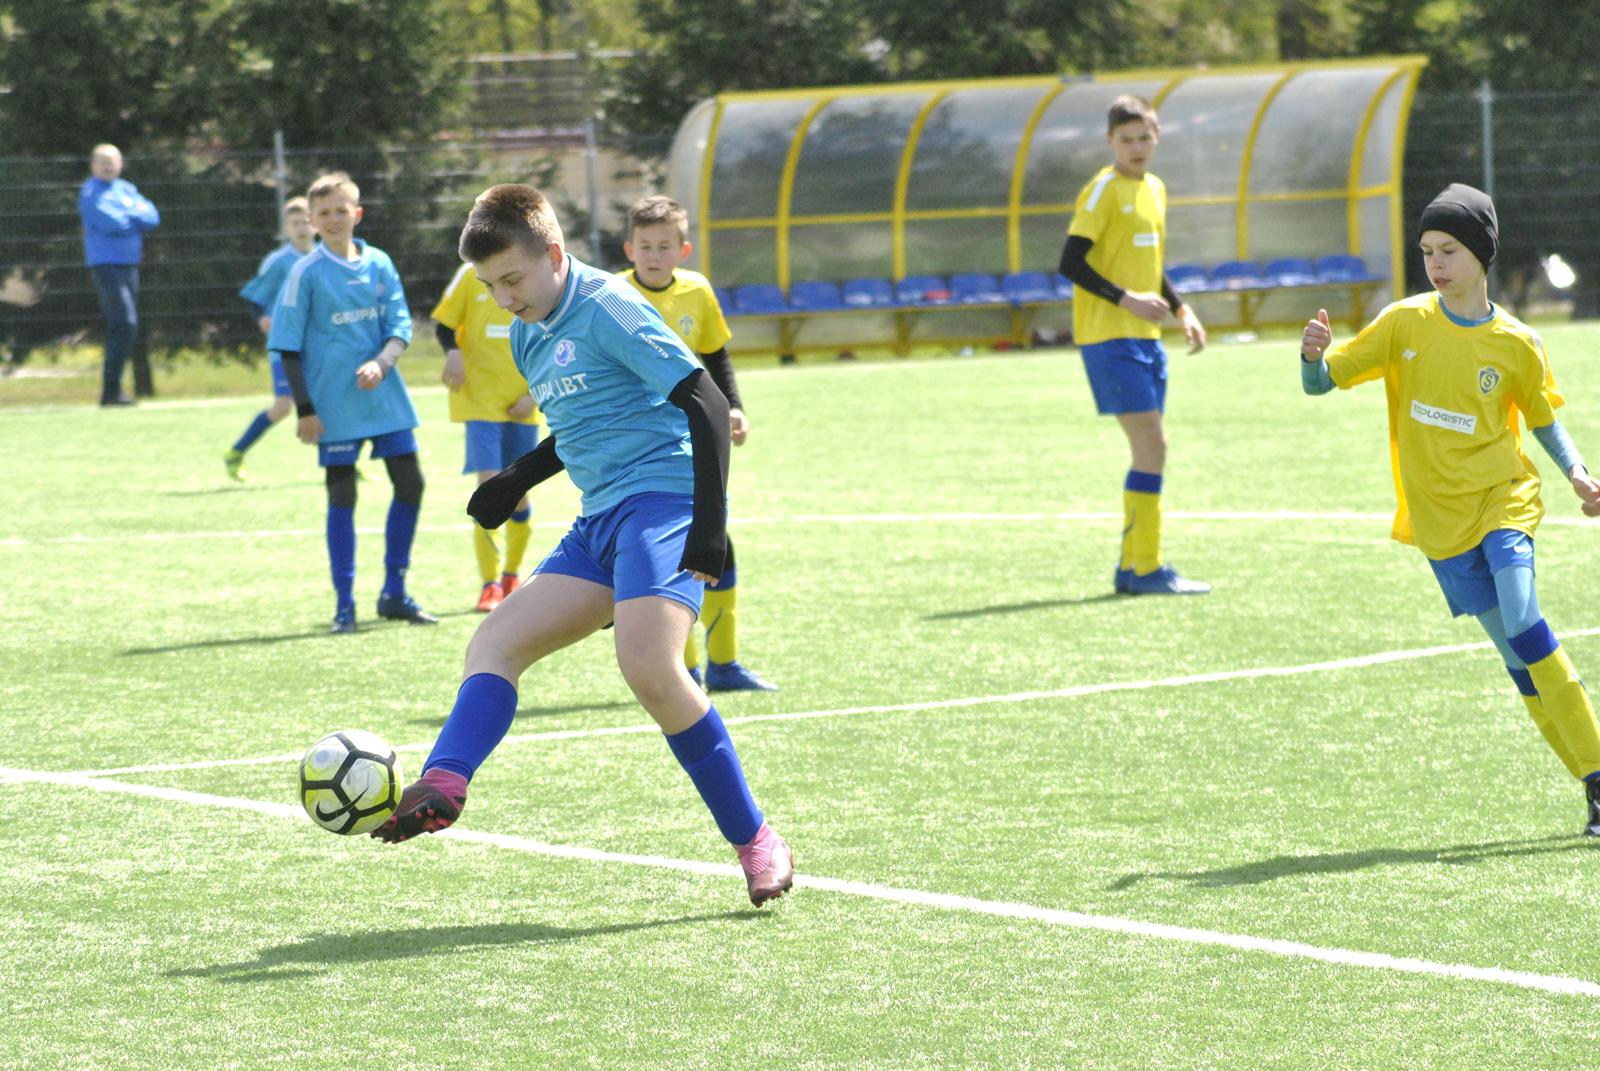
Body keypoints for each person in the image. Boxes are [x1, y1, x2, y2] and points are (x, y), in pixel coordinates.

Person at [371, 184, 794, 907]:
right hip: (601, 520)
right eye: (489, 285)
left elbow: (707, 403)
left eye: (513, 278)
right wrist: (517, 476)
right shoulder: (530, 325)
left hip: (663, 505)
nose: (503, 298)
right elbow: (585, 420)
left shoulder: (610, 308)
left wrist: (708, 527)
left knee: (650, 667)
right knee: (495, 641)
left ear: (555, 255)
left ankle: (756, 839)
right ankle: (444, 781)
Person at [1300, 183, 1600, 834]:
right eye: (1428, 250)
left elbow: (1544, 419)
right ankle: (1593, 781)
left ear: (1483, 254)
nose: (1436, 263)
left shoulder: (1517, 342)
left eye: (1451, 250)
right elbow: (1322, 382)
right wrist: (1311, 357)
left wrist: (1577, 472)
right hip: (1440, 521)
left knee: (1524, 616)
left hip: (1503, 498)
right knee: (1519, 663)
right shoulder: (1404, 323)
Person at [267, 172, 436, 634]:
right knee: (343, 495)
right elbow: (288, 346)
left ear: (357, 214)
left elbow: (400, 326)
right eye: (324, 213)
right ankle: (345, 605)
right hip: (333, 406)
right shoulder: (305, 273)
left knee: (411, 485)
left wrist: (382, 363)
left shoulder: (379, 263)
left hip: (384, 398)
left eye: (342, 210)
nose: (334, 218)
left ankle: (394, 593)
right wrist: (305, 409)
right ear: (312, 222)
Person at [620, 194, 777, 691]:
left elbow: (716, 355)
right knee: (671, 551)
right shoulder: (613, 296)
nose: (654, 254)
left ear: (683, 250)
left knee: (715, 543)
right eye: (645, 245)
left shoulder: (697, 292)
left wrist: (733, 405)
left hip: (698, 438)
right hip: (643, 443)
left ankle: (725, 665)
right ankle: (684, 670)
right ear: (629, 249)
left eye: (664, 245)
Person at [1059, 96, 1209, 595]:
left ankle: (1132, 568)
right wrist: (1126, 300)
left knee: (1150, 447)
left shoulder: (1156, 189)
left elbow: (1151, 266)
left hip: (1144, 337)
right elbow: (1071, 263)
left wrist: (1182, 310)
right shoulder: (1101, 190)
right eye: (1126, 140)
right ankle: (1146, 567)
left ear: (1157, 135)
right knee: (1153, 445)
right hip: (1110, 336)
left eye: (1144, 137)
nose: (1137, 147)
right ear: (1110, 143)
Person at [430, 260, 543, 612]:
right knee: (489, 488)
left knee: (518, 494)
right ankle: (489, 584)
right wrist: (452, 353)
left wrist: (536, 394)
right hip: (480, 402)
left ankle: (512, 574)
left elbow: (556, 343)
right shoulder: (469, 275)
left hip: (523, 403)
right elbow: (444, 325)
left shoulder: (536, 275)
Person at [224, 197, 317, 481]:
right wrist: (262, 317)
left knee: (330, 401)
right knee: (283, 407)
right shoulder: (278, 262)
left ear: (315, 224)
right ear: (286, 229)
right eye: (295, 223)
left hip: (317, 343)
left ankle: (347, 460)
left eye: (305, 222)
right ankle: (236, 452)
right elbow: (255, 295)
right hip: (285, 345)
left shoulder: (325, 257)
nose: (301, 228)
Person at [78, 143, 159, 407]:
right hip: (105, 265)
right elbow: (112, 224)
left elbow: (152, 218)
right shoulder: (90, 192)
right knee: (124, 323)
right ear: (93, 165)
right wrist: (133, 215)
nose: (108, 166)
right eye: (102, 161)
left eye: (112, 161)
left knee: (124, 326)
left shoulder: (126, 189)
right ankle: (111, 391)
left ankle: (111, 393)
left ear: (120, 164)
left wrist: (130, 216)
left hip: (129, 264)